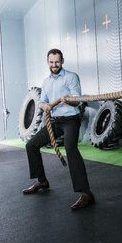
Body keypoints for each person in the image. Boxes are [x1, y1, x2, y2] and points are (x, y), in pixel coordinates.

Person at [22, 48, 94, 211]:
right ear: (48, 62)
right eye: (51, 62)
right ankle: (41, 180)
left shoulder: (71, 77)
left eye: (57, 62)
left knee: (71, 149)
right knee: (31, 145)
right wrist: (43, 105)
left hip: (70, 120)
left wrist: (70, 101)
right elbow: (42, 101)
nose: (54, 65)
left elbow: (79, 100)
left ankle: (86, 193)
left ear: (62, 61)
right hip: (55, 121)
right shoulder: (46, 82)